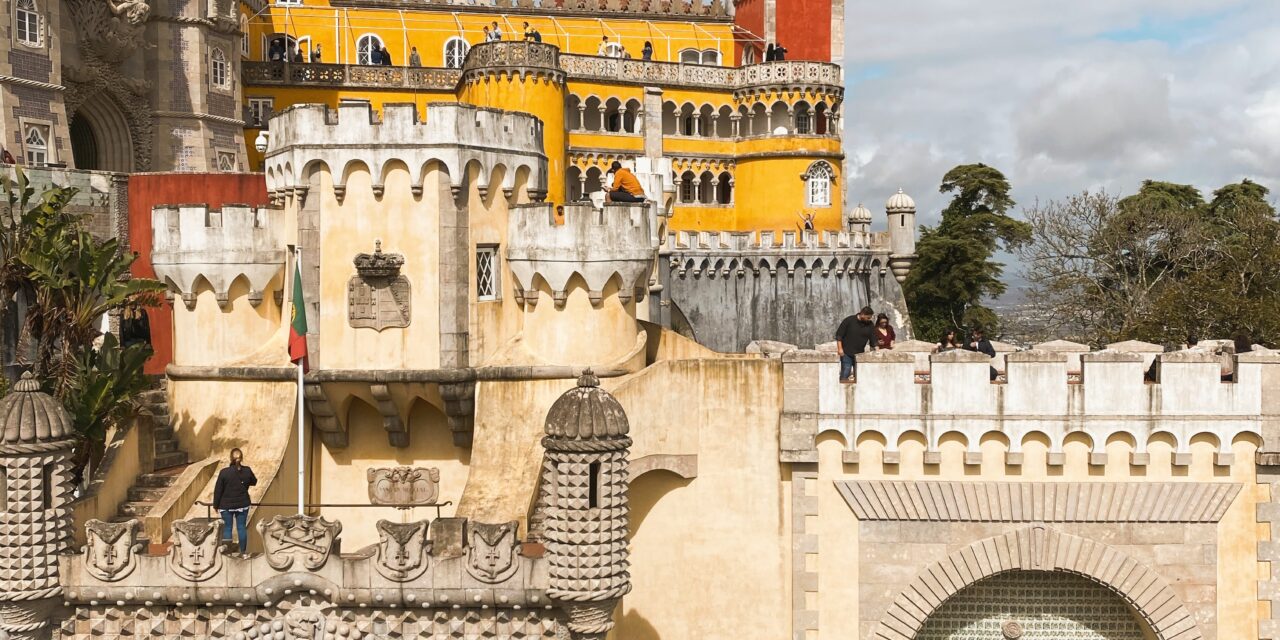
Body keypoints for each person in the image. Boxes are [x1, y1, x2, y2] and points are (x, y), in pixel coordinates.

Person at [213, 448, 257, 557]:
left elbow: (218, 490)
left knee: (227, 528)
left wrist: (215, 505)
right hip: (242, 504)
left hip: (226, 505)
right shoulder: (247, 470)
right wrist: (244, 482)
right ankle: (243, 553)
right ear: (241, 458)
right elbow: (254, 481)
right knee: (241, 528)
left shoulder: (224, 472)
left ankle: (228, 554)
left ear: (230, 458)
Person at [835, 306, 877, 382]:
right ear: (862, 314)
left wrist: (877, 350)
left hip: (860, 354)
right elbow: (839, 335)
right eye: (868, 317)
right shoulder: (849, 320)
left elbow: (873, 339)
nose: (869, 319)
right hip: (846, 352)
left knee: (859, 375)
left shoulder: (870, 324)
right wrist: (840, 349)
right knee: (846, 372)